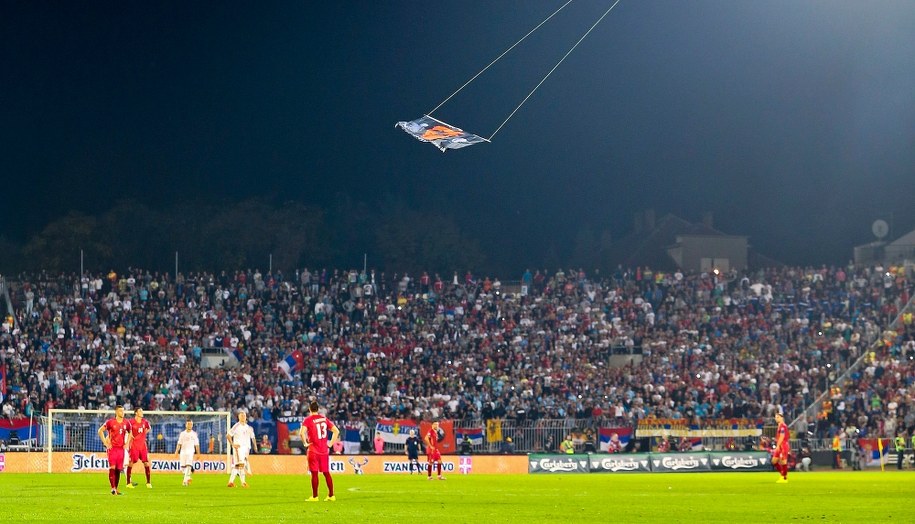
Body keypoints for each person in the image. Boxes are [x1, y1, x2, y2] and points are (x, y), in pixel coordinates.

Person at [299, 401, 340, 501]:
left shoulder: (308, 420)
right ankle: (331, 495)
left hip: (313, 450)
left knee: (314, 473)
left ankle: (315, 496)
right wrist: (330, 444)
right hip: (324, 451)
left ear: (309, 409)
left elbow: (301, 433)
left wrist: (305, 443)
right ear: (318, 409)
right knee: (326, 473)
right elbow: (336, 431)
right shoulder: (324, 419)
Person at [97, 405, 131, 495]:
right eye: (120, 411)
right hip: (112, 449)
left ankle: (115, 488)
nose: (122, 413)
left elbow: (130, 432)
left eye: (123, 411)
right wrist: (105, 443)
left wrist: (127, 443)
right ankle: (112, 488)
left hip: (121, 449)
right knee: (112, 467)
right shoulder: (110, 422)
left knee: (118, 469)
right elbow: (100, 431)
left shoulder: (126, 423)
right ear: (116, 412)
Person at [227, 411, 257, 488]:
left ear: (246, 417)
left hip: (246, 449)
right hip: (238, 448)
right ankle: (243, 482)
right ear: (238, 417)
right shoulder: (236, 426)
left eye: (244, 415)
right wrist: (233, 444)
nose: (243, 417)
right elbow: (228, 435)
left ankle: (231, 482)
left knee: (237, 466)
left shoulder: (249, 428)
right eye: (241, 415)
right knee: (240, 465)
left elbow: (253, 437)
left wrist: (255, 446)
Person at [125, 408, 152, 489]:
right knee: (131, 463)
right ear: (136, 413)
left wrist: (143, 434)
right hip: (134, 445)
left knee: (146, 463)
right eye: (140, 411)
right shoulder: (131, 422)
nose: (142, 412)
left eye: (142, 411)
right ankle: (128, 483)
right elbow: (126, 429)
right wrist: (130, 435)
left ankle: (148, 482)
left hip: (143, 446)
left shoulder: (145, 421)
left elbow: (149, 428)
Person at [175, 419, 200, 486]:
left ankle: (185, 481)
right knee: (183, 467)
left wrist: (198, 453)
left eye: (191, 424)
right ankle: (188, 477)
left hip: (190, 451)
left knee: (188, 465)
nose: (190, 425)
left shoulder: (194, 434)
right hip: (183, 452)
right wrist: (176, 452)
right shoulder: (182, 434)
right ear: (186, 425)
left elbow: (197, 444)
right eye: (188, 424)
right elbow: (179, 443)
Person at [773, 411, 790, 483]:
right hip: (780, 445)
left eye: (778, 417)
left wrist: (778, 445)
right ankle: (782, 475)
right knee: (774, 461)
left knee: (783, 461)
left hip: (783, 445)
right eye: (775, 417)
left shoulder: (783, 426)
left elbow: (782, 437)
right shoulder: (780, 426)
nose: (776, 419)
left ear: (782, 418)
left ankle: (784, 478)